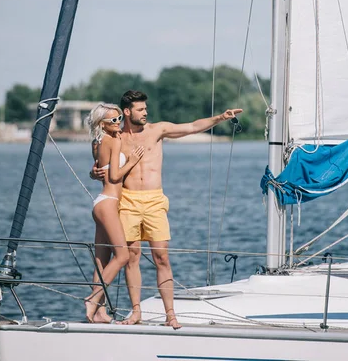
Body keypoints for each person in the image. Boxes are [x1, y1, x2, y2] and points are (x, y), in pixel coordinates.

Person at [91, 90, 242, 329]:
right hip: (127, 200)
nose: (145, 113)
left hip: (154, 201)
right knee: (132, 258)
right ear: (127, 112)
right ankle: (136, 311)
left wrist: (220, 117)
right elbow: (103, 165)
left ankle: (170, 314)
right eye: (140, 109)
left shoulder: (157, 130)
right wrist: (94, 172)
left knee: (162, 257)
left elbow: (192, 126)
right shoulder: (117, 136)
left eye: (145, 109)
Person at [85, 102, 144, 323]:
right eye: (114, 120)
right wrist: (132, 161)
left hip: (101, 203)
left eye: (120, 118)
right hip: (109, 203)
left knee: (102, 258)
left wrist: (93, 173)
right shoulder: (114, 140)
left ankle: (99, 311)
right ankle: (92, 299)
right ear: (102, 124)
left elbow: (98, 170)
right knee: (122, 255)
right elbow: (115, 176)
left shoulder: (97, 142)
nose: (119, 122)